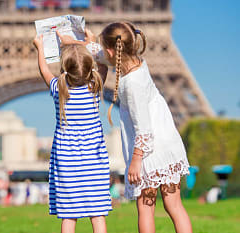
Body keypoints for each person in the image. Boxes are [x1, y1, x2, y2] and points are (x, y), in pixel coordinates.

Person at [58, 21, 192, 233]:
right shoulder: (137, 61)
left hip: (149, 152)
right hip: (168, 144)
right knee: (174, 205)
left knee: (145, 208)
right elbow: (101, 54)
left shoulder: (131, 84)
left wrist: (136, 161)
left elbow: (144, 130)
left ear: (111, 51)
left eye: (105, 50)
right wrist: (75, 42)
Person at [34, 33, 111, 233]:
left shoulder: (59, 89)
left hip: (67, 162)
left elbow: (44, 70)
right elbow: (103, 65)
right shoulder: (95, 87)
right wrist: (90, 43)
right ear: (89, 69)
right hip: (94, 161)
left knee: (69, 216)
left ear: (65, 70)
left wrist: (40, 47)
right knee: (98, 214)